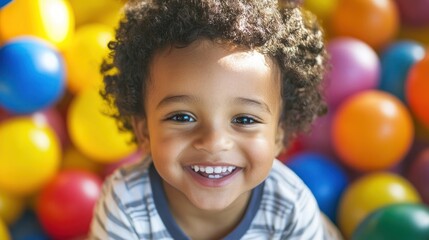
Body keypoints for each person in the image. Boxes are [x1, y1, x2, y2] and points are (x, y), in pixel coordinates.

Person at [90, 0, 343, 239]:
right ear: (144, 130)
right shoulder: (126, 204)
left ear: (278, 134)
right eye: (182, 116)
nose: (213, 142)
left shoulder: (291, 208)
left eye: (244, 120)